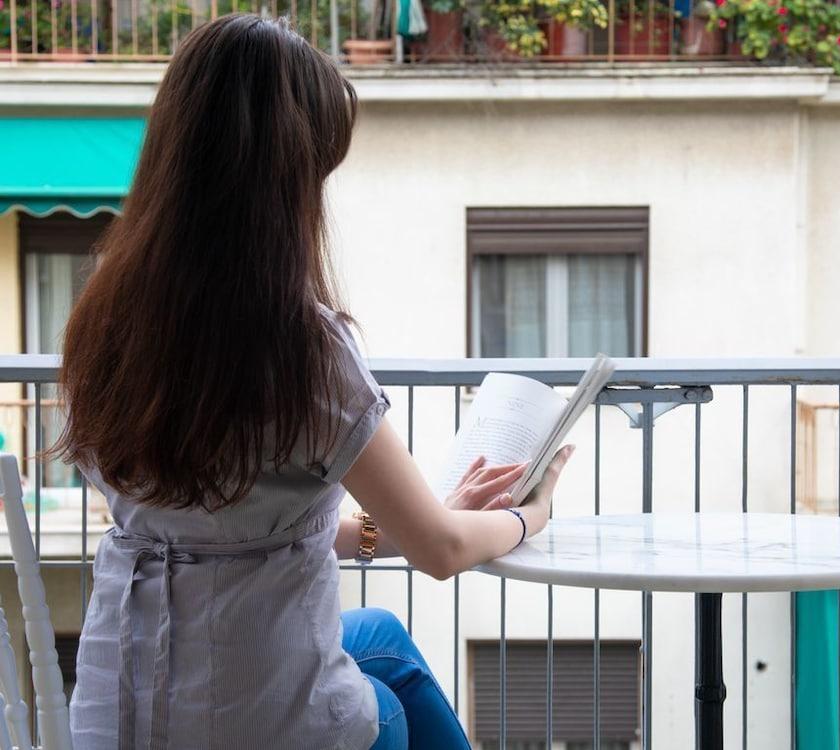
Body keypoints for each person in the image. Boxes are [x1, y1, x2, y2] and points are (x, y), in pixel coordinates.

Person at [53, 14, 573, 750]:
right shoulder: (302, 348)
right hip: (255, 717)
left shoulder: (104, 320)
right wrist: (532, 515)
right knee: (387, 703)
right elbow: (443, 553)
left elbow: (218, 529)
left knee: (382, 638)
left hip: (119, 713)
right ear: (286, 178)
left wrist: (385, 530)